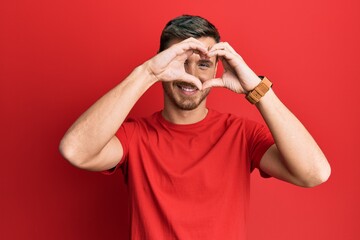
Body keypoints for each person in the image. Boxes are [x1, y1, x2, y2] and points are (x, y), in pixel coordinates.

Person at [59, 15, 331, 239]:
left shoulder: (241, 134)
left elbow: (314, 173)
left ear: (215, 70)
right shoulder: (135, 136)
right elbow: (75, 151)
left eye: (203, 64)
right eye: (179, 62)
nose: (190, 74)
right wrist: (147, 73)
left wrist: (256, 88)